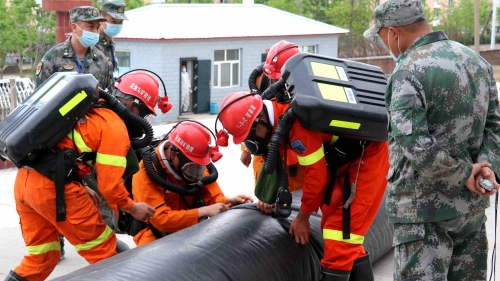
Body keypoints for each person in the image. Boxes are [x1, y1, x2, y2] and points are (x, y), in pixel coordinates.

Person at [363, 0, 500, 280]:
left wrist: (463, 174)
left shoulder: (407, 71)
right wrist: (486, 166)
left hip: (422, 215)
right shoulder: (476, 61)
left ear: (394, 33)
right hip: (470, 210)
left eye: (382, 37)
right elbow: (494, 125)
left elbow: (416, 145)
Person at [216, 89, 390, 280]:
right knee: (336, 229)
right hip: (346, 157)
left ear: (260, 121)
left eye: (250, 137)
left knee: (339, 235)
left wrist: (303, 217)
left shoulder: (296, 126)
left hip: (368, 155)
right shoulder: (278, 119)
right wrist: (268, 198)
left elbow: (317, 177)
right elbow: (275, 159)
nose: (253, 144)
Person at [5, 82, 156, 281]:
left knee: (43, 257)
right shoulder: (114, 126)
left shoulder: (89, 109)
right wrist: (132, 207)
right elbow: (109, 186)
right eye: (144, 112)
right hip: (55, 190)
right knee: (106, 254)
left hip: (26, 183)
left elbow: (64, 150)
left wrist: (82, 186)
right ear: (131, 105)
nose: (143, 120)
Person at [132, 121, 253, 246]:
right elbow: (161, 220)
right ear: (174, 155)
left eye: (200, 167)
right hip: (155, 233)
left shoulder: (194, 161)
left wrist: (228, 203)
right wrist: (204, 211)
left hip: (189, 227)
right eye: (192, 167)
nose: (196, 172)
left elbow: (213, 197)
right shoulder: (147, 173)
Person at [35, 6, 113, 90]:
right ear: (74, 27)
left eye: (97, 28)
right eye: (90, 27)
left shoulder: (101, 59)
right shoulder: (52, 58)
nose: (95, 32)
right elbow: (39, 96)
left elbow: (109, 96)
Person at [96, 0, 128, 80]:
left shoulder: (111, 43)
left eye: (120, 22)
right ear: (101, 17)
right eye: (113, 21)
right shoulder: (92, 42)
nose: (117, 25)